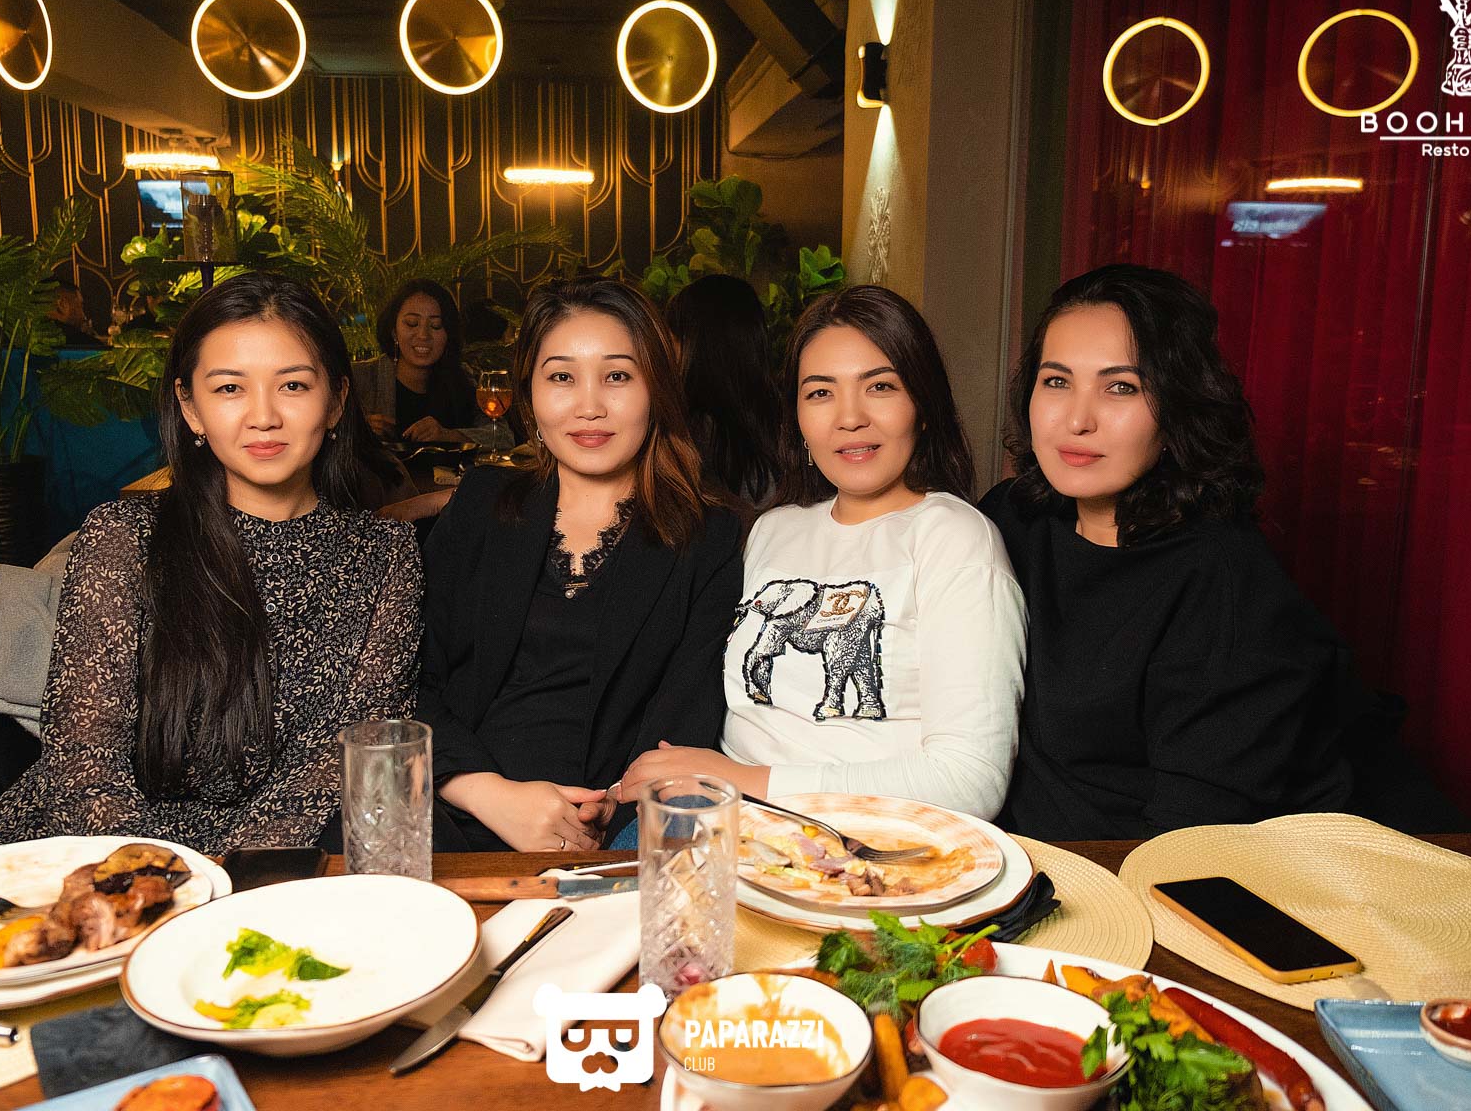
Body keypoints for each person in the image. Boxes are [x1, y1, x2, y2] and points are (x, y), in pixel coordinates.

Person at [0, 273, 422, 853]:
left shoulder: (386, 554)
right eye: (230, 388)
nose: (263, 416)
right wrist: (168, 878)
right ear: (190, 408)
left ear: (335, 401)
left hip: (277, 862)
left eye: (292, 385)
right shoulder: (125, 537)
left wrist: (234, 874)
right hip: (99, 858)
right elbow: (83, 762)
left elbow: (347, 758)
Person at [619, 285, 1025, 819]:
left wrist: (745, 781)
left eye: (880, 386)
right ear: (797, 419)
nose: (849, 417)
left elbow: (971, 781)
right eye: (820, 393)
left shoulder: (954, 537)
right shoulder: (772, 530)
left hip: (864, 837)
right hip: (716, 818)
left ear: (923, 406)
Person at [980, 263, 1354, 840]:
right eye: (1056, 382)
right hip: (1000, 851)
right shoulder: (1012, 519)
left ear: (1178, 405)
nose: (1077, 420)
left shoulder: (1224, 585)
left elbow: (1191, 843)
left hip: (1134, 867)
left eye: (1121, 387)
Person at [418, 276, 743, 852]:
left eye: (617, 376)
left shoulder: (707, 535)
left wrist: (607, 810)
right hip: (455, 813)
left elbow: (687, 717)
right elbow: (410, 677)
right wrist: (484, 792)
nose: (589, 407)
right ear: (529, 393)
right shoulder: (482, 504)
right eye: (562, 377)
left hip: (613, 832)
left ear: (656, 389)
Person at [667, 275, 783, 510]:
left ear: (693, 346)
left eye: (671, 342)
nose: (667, 355)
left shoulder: (684, 433)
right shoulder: (786, 419)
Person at [379, 278, 478, 442]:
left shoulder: (462, 379)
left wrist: (448, 435)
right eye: (412, 323)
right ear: (394, 332)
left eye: (436, 325)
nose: (423, 335)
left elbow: (501, 435)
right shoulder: (361, 378)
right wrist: (358, 429)